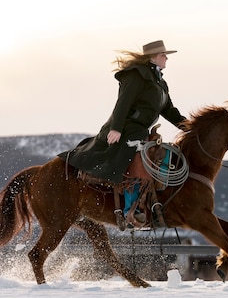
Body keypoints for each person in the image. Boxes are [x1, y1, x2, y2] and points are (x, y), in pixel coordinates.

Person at [59, 40, 187, 226]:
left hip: (142, 131)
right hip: (127, 129)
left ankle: (157, 204)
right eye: (163, 55)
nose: (166, 58)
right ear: (152, 57)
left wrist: (189, 127)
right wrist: (116, 128)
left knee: (165, 156)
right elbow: (123, 102)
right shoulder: (136, 75)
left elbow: (169, 111)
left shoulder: (160, 83)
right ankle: (131, 211)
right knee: (137, 164)